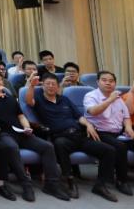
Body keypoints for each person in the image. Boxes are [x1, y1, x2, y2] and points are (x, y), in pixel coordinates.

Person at [25, 72, 118, 201]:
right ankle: (69, 181)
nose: (51, 86)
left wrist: (88, 124)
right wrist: (31, 86)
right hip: (61, 136)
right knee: (60, 144)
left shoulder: (64, 99)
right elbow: (29, 101)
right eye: (48, 84)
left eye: (53, 84)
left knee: (109, 150)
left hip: (79, 134)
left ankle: (100, 185)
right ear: (43, 86)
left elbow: (79, 116)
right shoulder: (39, 99)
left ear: (58, 86)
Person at [0, 70, 68, 200]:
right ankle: (26, 185)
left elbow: (20, 116)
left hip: (20, 131)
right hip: (3, 133)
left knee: (47, 147)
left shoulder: (9, 97)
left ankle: (52, 184)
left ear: (3, 81)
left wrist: (27, 127)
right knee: (12, 148)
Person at [84, 71, 134, 196]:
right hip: (99, 132)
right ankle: (122, 181)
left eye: (111, 81)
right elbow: (93, 111)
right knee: (120, 147)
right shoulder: (91, 96)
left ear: (115, 83)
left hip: (118, 133)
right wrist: (110, 100)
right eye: (104, 80)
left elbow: (126, 116)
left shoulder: (118, 98)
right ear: (97, 82)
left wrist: (128, 128)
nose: (108, 83)